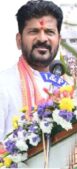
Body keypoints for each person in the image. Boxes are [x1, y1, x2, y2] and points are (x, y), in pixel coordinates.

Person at [0, 0, 63, 145]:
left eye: (49, 32)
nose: (42, 39)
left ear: (59, 40)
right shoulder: (3, 84)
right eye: (34, 31)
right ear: (19, 40)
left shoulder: (64, 86)